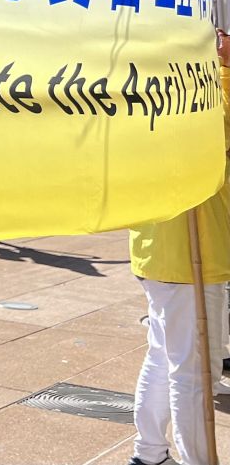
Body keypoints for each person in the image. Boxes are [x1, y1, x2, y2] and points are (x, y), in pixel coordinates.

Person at [126, 29, 230, 465]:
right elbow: (216, 140)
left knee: (165, 356)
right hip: (191, 254)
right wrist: (223, 70)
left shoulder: (140, 89)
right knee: (194, 373)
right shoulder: (199, 92)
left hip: (159, 249)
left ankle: (148, 452)